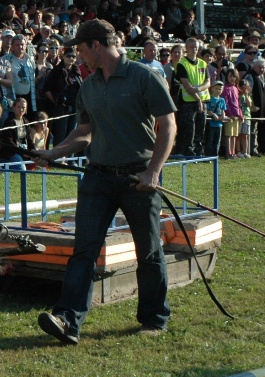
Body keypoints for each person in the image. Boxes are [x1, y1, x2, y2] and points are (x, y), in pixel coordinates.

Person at [34, 19, 176, 345]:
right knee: (83, 251)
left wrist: (154, 171)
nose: (79, 56)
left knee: (148, 250)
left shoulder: (144, 76)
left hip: (138, 177)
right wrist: (53, 152)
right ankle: (67, 320)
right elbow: (84, 133)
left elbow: (168, 126)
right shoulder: (89, 86)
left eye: (81, 49)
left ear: (96, 45)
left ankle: (154, 318)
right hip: (97, 177)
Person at [173, 37, 209, 156]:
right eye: (191, 47)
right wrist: (197, 98)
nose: (194, 49)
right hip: (187, 101)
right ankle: (187, 150)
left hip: (202, 100)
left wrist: (198, 89)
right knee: (188, 128)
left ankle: (198, 149)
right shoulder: (182, 64)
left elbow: (208, 82)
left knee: (200, 127)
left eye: (196, 47)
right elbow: (186, 85)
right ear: (186, 48)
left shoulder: (203, 63)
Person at [204, 81, 226, 158]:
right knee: (209, 141)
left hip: (219, 124)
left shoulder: (222, 100)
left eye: (220, 89)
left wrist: (223, 116)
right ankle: (208, 156)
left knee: (217, 141)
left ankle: (215, 156)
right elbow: (206, 110)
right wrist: (213, 114)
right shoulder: (209, 98)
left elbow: (223, 110)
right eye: (216, 88)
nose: (218, 91)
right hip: (211, 124)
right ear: (212, 88)